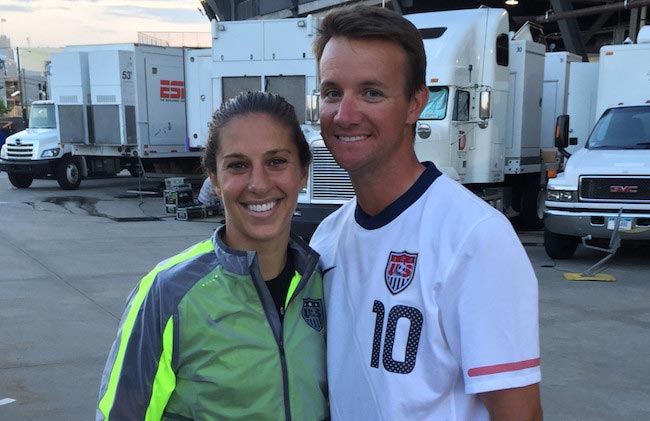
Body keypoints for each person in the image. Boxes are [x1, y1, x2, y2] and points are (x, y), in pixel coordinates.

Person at [309, 5, 542, 420]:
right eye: (332, 92)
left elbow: (517, 413)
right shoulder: (327, 238)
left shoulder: (475, 238)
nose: (345, 114)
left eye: (371, 92)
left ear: (416, 103)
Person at [97, 91, 328, 420]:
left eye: (276, 161)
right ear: (215, 180)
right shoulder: (167, 294)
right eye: (238, 165)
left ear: (302, 172)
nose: (259, 184)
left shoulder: (325, 281)